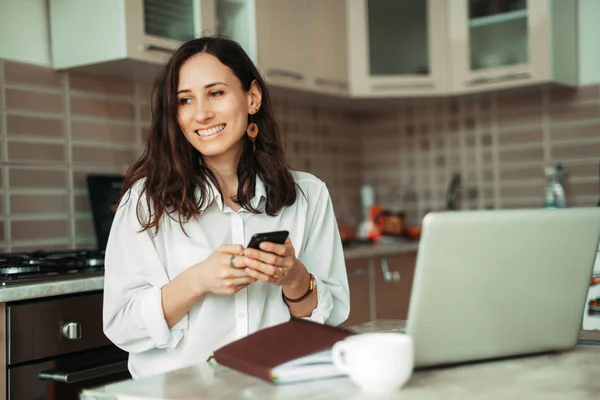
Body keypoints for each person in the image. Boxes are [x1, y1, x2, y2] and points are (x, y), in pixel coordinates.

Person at [102, 36, 350, 379]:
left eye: (215, 93)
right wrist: (197, 280)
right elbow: (122, 325)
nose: (201, 113)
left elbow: (330, 320)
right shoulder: (146, 200)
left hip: (271, 389)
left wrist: (293, 277)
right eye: (185, 100)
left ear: (252, 98)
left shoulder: (308, 195)